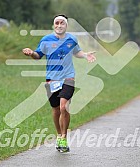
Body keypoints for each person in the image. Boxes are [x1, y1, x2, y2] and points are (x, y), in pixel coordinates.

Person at [22, 14, 96, 152]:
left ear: (66, 26)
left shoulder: (71, 39)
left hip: (68, 78)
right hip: (52, 79)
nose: (59, 25)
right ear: (53, 25)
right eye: (57, 23)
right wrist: (31, 53)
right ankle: (58, 135)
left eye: (62, 23)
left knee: (64, 107)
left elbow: (76, 52)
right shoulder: (46, 40)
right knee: (56, 109)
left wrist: (85, 55)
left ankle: (64, 137)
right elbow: (38, 55)